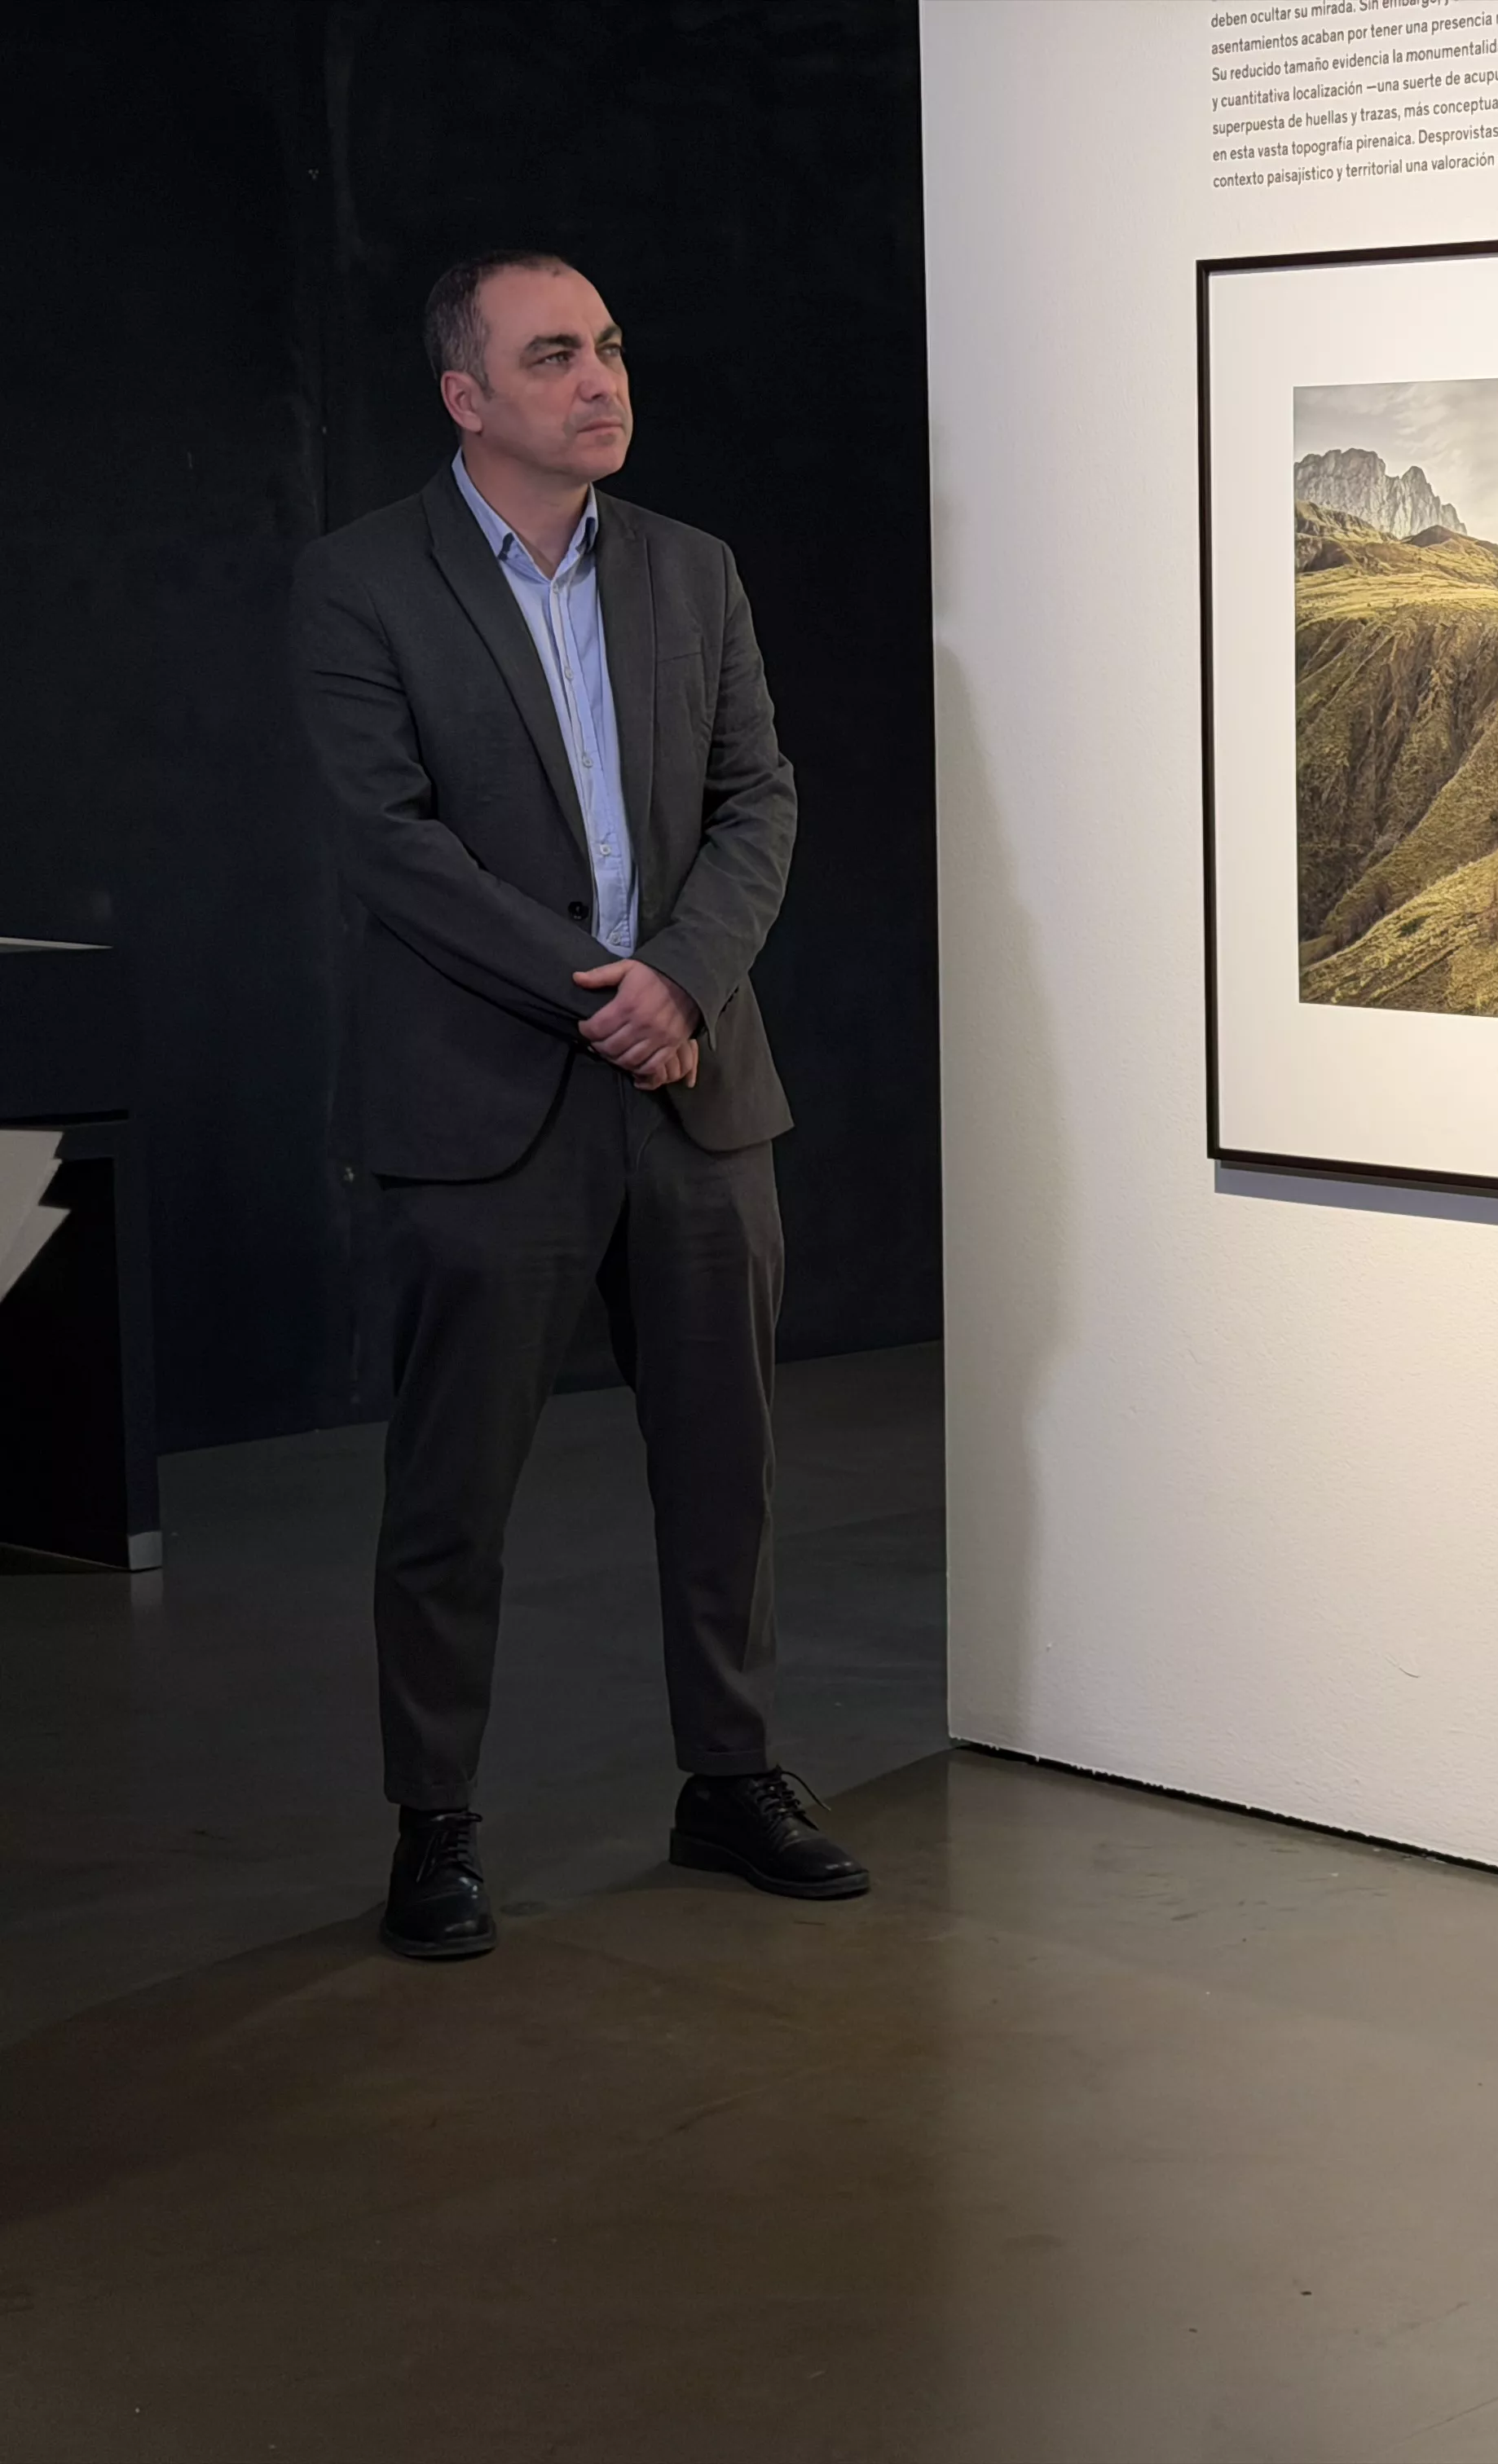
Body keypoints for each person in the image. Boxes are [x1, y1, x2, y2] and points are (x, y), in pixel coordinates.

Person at [292, 251, 868, 1960]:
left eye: (610, 346)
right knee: (452, 1495)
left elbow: (758, 796)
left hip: (696, 1085)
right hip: (487, 1104)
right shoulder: (358, 585)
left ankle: (732, 1778)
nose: (602, 378)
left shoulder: (695, 569)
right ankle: (436, 1825)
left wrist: (678, 979)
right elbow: (389, 844)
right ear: (468, 397)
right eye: (556, 355)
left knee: (727, 1474)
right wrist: (593, 994)